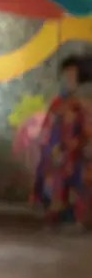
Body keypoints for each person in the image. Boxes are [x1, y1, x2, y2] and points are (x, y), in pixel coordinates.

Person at [32, 55, 91, 231]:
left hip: (79, 153)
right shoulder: (58, 103)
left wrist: (81, 144)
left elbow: (87, 129)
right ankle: (56, 218)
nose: (69, 80)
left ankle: (80, 220)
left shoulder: (83, 103)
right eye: (66, 75)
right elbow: (47, 130)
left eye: (73, 76)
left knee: (81, 182)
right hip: (59, 154)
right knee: (55, 181)